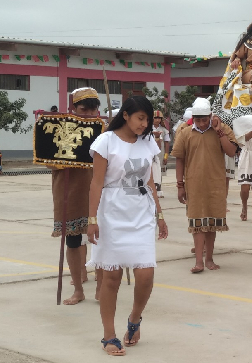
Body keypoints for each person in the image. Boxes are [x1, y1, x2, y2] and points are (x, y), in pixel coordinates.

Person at [87, 96, 168, 356]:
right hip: (111, 211)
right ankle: (109, 336)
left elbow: (151, 182)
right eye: (140, 118)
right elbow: (96, 183)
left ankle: (135, 319)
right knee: (111, 277)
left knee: (146, 274)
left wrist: (160, 214)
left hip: (140, 211)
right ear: (126, 115)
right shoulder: (106, 142)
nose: (144, 124)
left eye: (147, 119)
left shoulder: (148, 142)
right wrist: (92, 219)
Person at [172, 98, 237, 273]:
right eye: (197, 120)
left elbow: (231, 152)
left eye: (204, 119)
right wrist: (180, 185)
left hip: (216, 183)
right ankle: (199, 261)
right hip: (193, 184)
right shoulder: (185, 133)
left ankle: (209, 258)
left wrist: (219, 132)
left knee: (212, 222)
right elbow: (179, 159)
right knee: (197, 222)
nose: (200, 123)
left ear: (210, 116)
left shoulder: (222, 130)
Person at [50, 87, 99, 305]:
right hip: (68, 191)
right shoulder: (58, 130)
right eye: (83, 109)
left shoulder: (104, 132)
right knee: (72, 239)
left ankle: (101, 286)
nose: (88, 114)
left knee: (101, 240)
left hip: (97, 191)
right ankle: (78, 289)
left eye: (92, 110)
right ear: (73, 108)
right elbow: (48, 159)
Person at [238, 125, 252, 222]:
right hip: (246, 155)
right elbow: (244, 138)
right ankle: (244, 207)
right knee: (245, 188)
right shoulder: (245, 121)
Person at [151, 110, 170, 198]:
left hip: (160, 153)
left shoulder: (164, 130)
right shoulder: (148, 128)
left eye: (159, 118)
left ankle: (158, 188)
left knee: (159, 172)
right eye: (155, 118)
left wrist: (166, 155)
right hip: (150, 152)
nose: (157, 120)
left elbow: (167, 143)